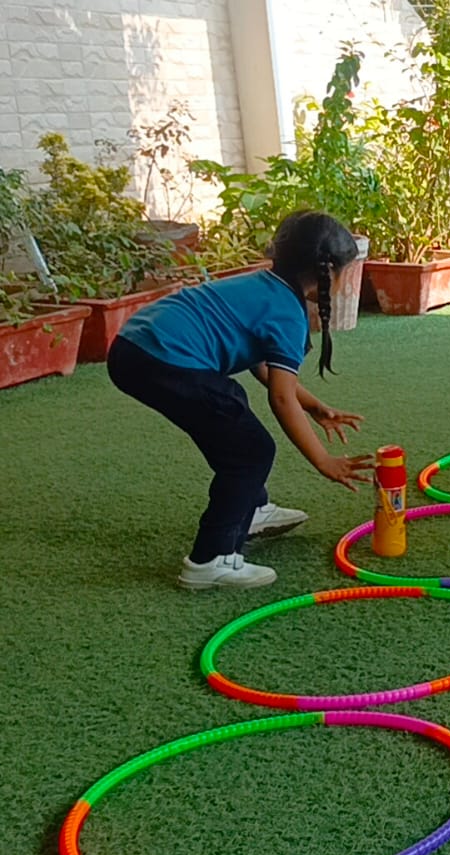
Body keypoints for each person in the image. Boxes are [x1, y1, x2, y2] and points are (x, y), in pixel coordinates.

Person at [107, 211, 372, 589]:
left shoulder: (262, 284)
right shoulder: (288, 313)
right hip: (163, 358)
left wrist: (314, 406)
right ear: (329, 273)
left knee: (229, 414)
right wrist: (323, 460)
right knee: (251, 451)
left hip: (135, 345)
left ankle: (252, 508)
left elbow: (262, 366)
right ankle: (209, 560)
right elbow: (281, 398)